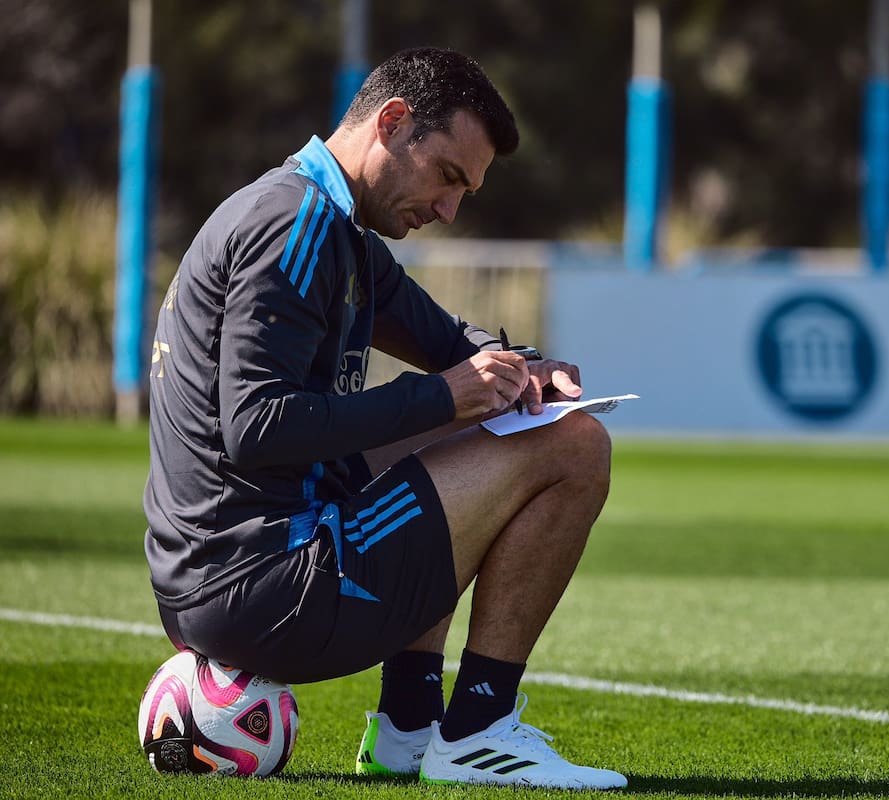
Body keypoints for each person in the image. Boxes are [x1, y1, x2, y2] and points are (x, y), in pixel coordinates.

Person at [143, 47, 626, 790]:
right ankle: (479, 734)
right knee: (576, 445)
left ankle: (408, 727)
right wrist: (449, 395)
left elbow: (441, 339)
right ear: (393, 124)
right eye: (447, 177)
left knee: (495, 418)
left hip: (223, 579)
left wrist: (524, 368)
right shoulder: (296, 225)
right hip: (269, 587)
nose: (447, 209)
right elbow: (257, 426)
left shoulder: (327, 225)